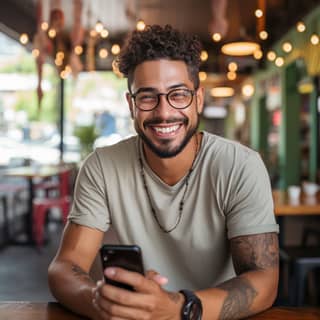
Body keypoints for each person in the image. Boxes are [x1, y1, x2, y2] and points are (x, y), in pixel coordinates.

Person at [48, 24, 279, 320]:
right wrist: (97, 301)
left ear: (198, 98)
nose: (164, 112)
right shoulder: (101, 166)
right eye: (147, 97)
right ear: (131, 105)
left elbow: (265, 281)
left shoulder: (240, 166)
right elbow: (64, 267)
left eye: (178, 94)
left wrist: (179, 309)